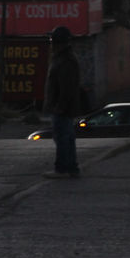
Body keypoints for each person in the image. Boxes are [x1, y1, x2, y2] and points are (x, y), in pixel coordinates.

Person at [42, 25, 81, 178]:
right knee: (66, 137)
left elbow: (67, 87)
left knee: (62, 138)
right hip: (63, 107)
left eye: (52, 41)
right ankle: (71, 168)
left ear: (59, 42)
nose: (50, 44)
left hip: (62, 108)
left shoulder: (66, 60)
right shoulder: (63, 58)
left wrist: (60, 106)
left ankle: (62, 169)